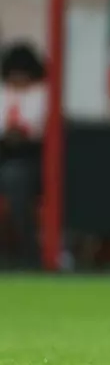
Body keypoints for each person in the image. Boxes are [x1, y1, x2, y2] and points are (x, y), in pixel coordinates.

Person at [0, 43, 46, 268]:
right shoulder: (3, 93)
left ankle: (28, 253)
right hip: (3, 154)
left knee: (14, 178)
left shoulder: (42, 94)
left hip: (31, 159)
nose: (18, 79)